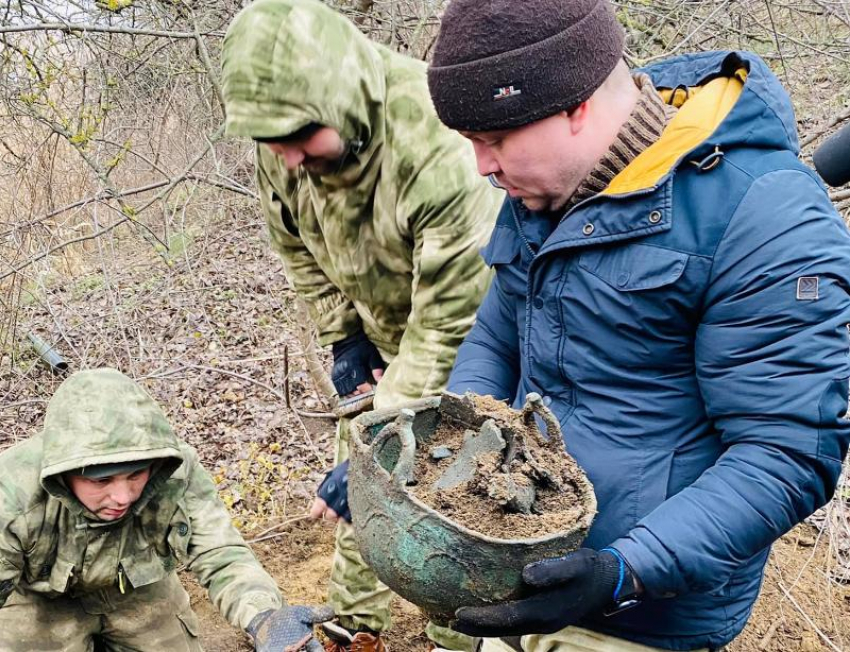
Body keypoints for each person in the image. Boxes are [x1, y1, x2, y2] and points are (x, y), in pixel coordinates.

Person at [423, 0, 850, 651]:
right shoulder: (540, 189)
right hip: (512, 565)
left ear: (577, 106)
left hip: (642, 616)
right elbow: (497, 334)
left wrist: (622, 571)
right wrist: (442, 459)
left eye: (495, 139)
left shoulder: (763, 215)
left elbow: (786, 453)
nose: (481, 166)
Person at [221, 0, 502, 649]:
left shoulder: (435, 144)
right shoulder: (284, 140)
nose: (287, 159)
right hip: (381, 336)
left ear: (340, 99)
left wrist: (381, 447)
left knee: (457, 491)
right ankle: (354, 629)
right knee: (361, 501)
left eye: (299, 138)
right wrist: (340, 334)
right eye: (272, 143)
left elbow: (448, 326)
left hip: (469, 345)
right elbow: (295, 243)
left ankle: (459, 636)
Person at [0, 368, 332, 652]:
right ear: (63, 474)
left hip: (138, 588)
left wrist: (264, 616)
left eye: (135, 475)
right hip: (39, 602)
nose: (123, 497)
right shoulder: (11, 492)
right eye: (102, 481)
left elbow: (220, 552)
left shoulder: (174, 473)